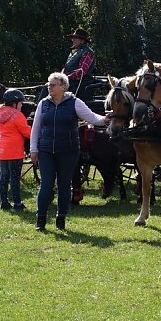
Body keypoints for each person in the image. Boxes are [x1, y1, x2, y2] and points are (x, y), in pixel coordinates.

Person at [30, 72, 110, 231]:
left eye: (52, 84)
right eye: (48, 84)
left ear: (63, 86)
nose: (49, 87)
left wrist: (105, 119)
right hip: (46, 150)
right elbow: (36, 128)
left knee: (64, 185)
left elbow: (92, 117)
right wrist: (33, 149)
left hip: (68, 151)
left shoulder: (75, 102)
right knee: (46, 185)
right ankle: (41, 219)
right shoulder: (43, 104)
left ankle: (61, 218)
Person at [0, 89, 31, 211]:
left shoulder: (0, 112)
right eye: (21, 103)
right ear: (15, 103)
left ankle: (4, 202)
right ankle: (17, 203)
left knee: (3, 177)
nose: (22, 105)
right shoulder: (18, 115)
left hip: (2, 150)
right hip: (15, 151)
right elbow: (27, 132)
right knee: (15, 178)